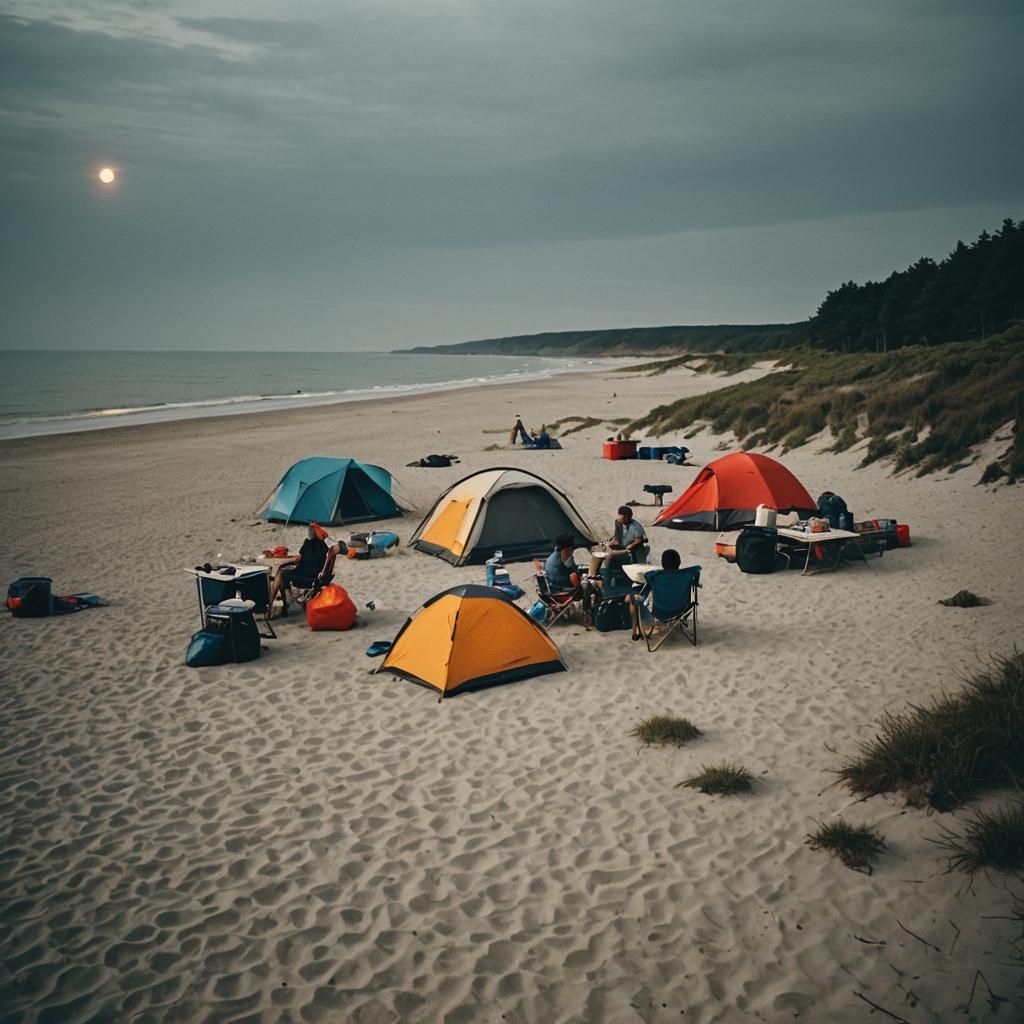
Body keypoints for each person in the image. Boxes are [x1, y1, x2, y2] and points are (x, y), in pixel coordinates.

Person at [269, 524, 330, 617]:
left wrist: (286, 562)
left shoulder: (308, 544)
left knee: (281, 573)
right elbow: (312, 560)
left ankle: (273, 605)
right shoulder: (324, 548)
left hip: (305, 576)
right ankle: (284, 605)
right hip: (315, 576)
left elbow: (299, 559)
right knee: (283, 574)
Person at [627, 548, 682, 641]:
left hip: (658, 613)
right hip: (680, 610)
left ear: (662, 563)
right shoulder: (685, 577)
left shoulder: (656, 577)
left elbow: (643, 593)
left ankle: (636, 632)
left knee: (633, 597)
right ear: (679, 563)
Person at [544, 532, 597, 625]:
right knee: (590, 584)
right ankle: (587, 616)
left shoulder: (552, 556)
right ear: (567, 548)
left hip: (551, 589)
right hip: (562, 591)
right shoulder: (565, 554)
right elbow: (572, 572)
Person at [588, 506, 649, 580]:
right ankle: (591, 576)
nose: (619, 517)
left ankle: (608, 577)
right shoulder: (618, 522)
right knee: (596, 553)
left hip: (630, 550)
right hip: (620, 547)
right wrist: (607, 544)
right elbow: (617, 539)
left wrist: (630, 546)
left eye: (621, 515)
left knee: (608, 555)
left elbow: (639, 540)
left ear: (626, 516)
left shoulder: (636, 527)